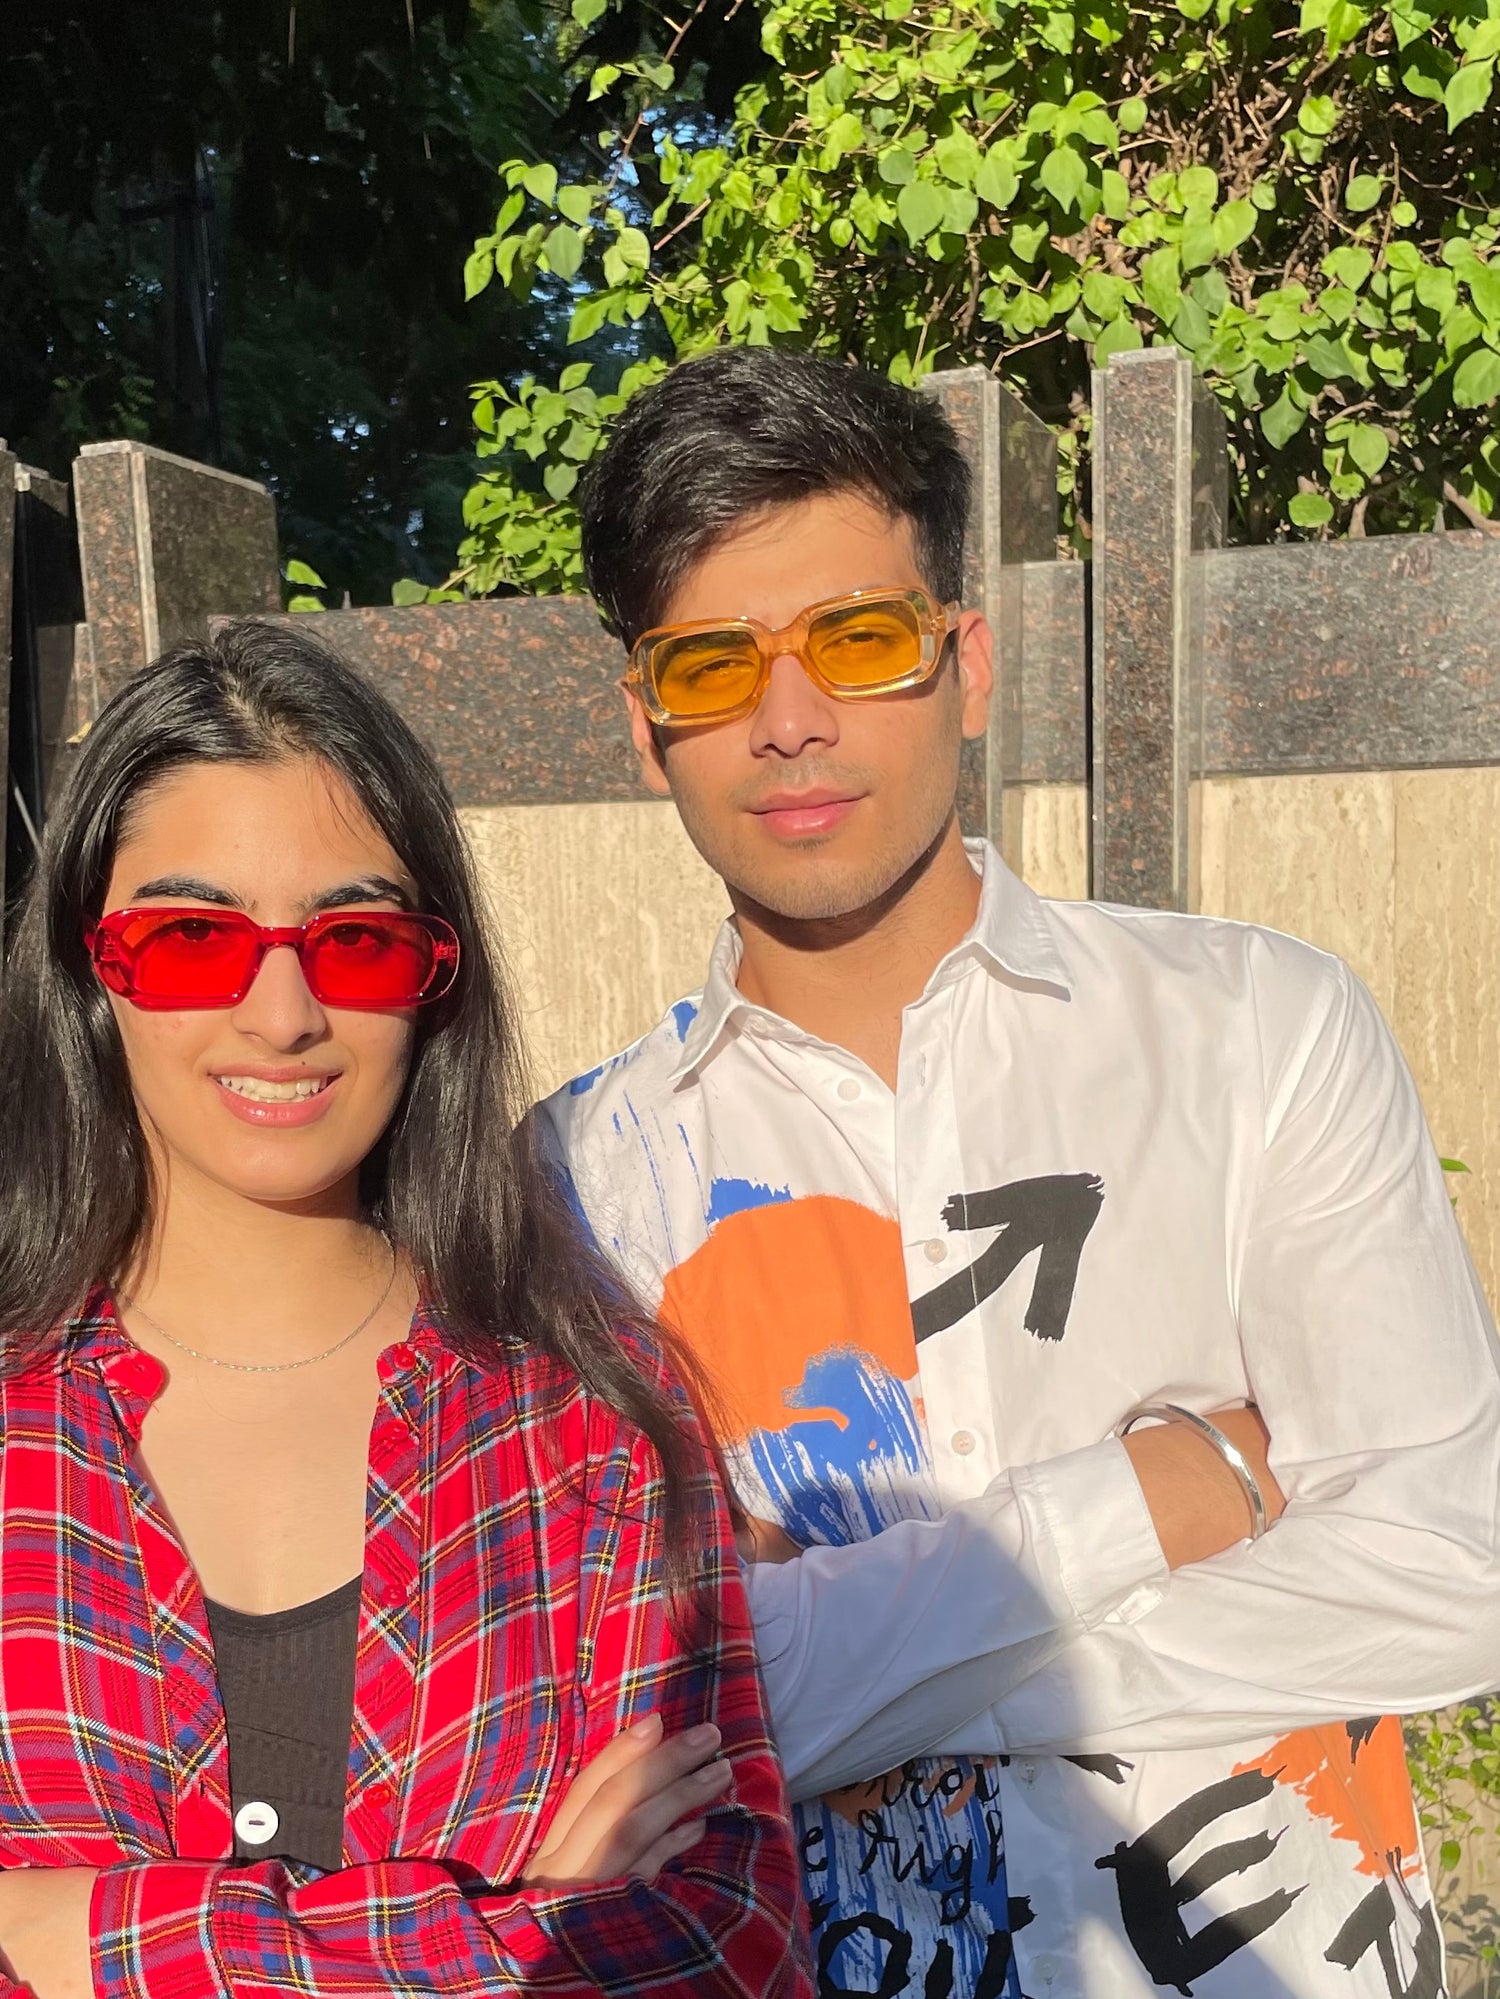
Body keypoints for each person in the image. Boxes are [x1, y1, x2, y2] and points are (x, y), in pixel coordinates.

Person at [542, 347, 1500, 1999]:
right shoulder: (574, 1191)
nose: (791, 721)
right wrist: (1161, 1497)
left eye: (859, 640)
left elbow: (1450, 1569)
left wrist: (860, 1664)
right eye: (712, 666)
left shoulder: (1255, 1029)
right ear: (648, 728)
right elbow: (637, 1718)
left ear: (965, 663)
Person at [0, 619, 812, 1999]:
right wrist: (518, 1930)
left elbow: (732, 1945)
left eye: (358, 942)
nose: (282, 1014)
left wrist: (79, 1932)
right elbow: (607, 1960)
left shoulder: (588, 1423)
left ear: (434, 982)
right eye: (192, 937)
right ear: (90, 970)